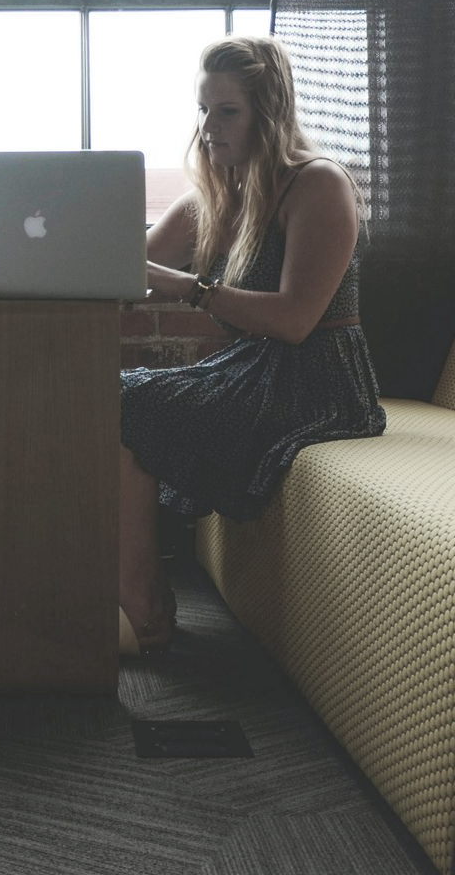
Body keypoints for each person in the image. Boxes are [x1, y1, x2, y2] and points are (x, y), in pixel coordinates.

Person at [118, 36, 386, 656]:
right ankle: (141, 595)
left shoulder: (317, 185)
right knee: (117, 397)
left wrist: (193, 289)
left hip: (319, 379)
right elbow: (126, 271)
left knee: (128, 404)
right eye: (203, 110)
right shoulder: (214, 197)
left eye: (226, 111)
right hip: (250, 369)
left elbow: (296, 320)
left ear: (269, 114)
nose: (208, 127)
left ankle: (142, 605)